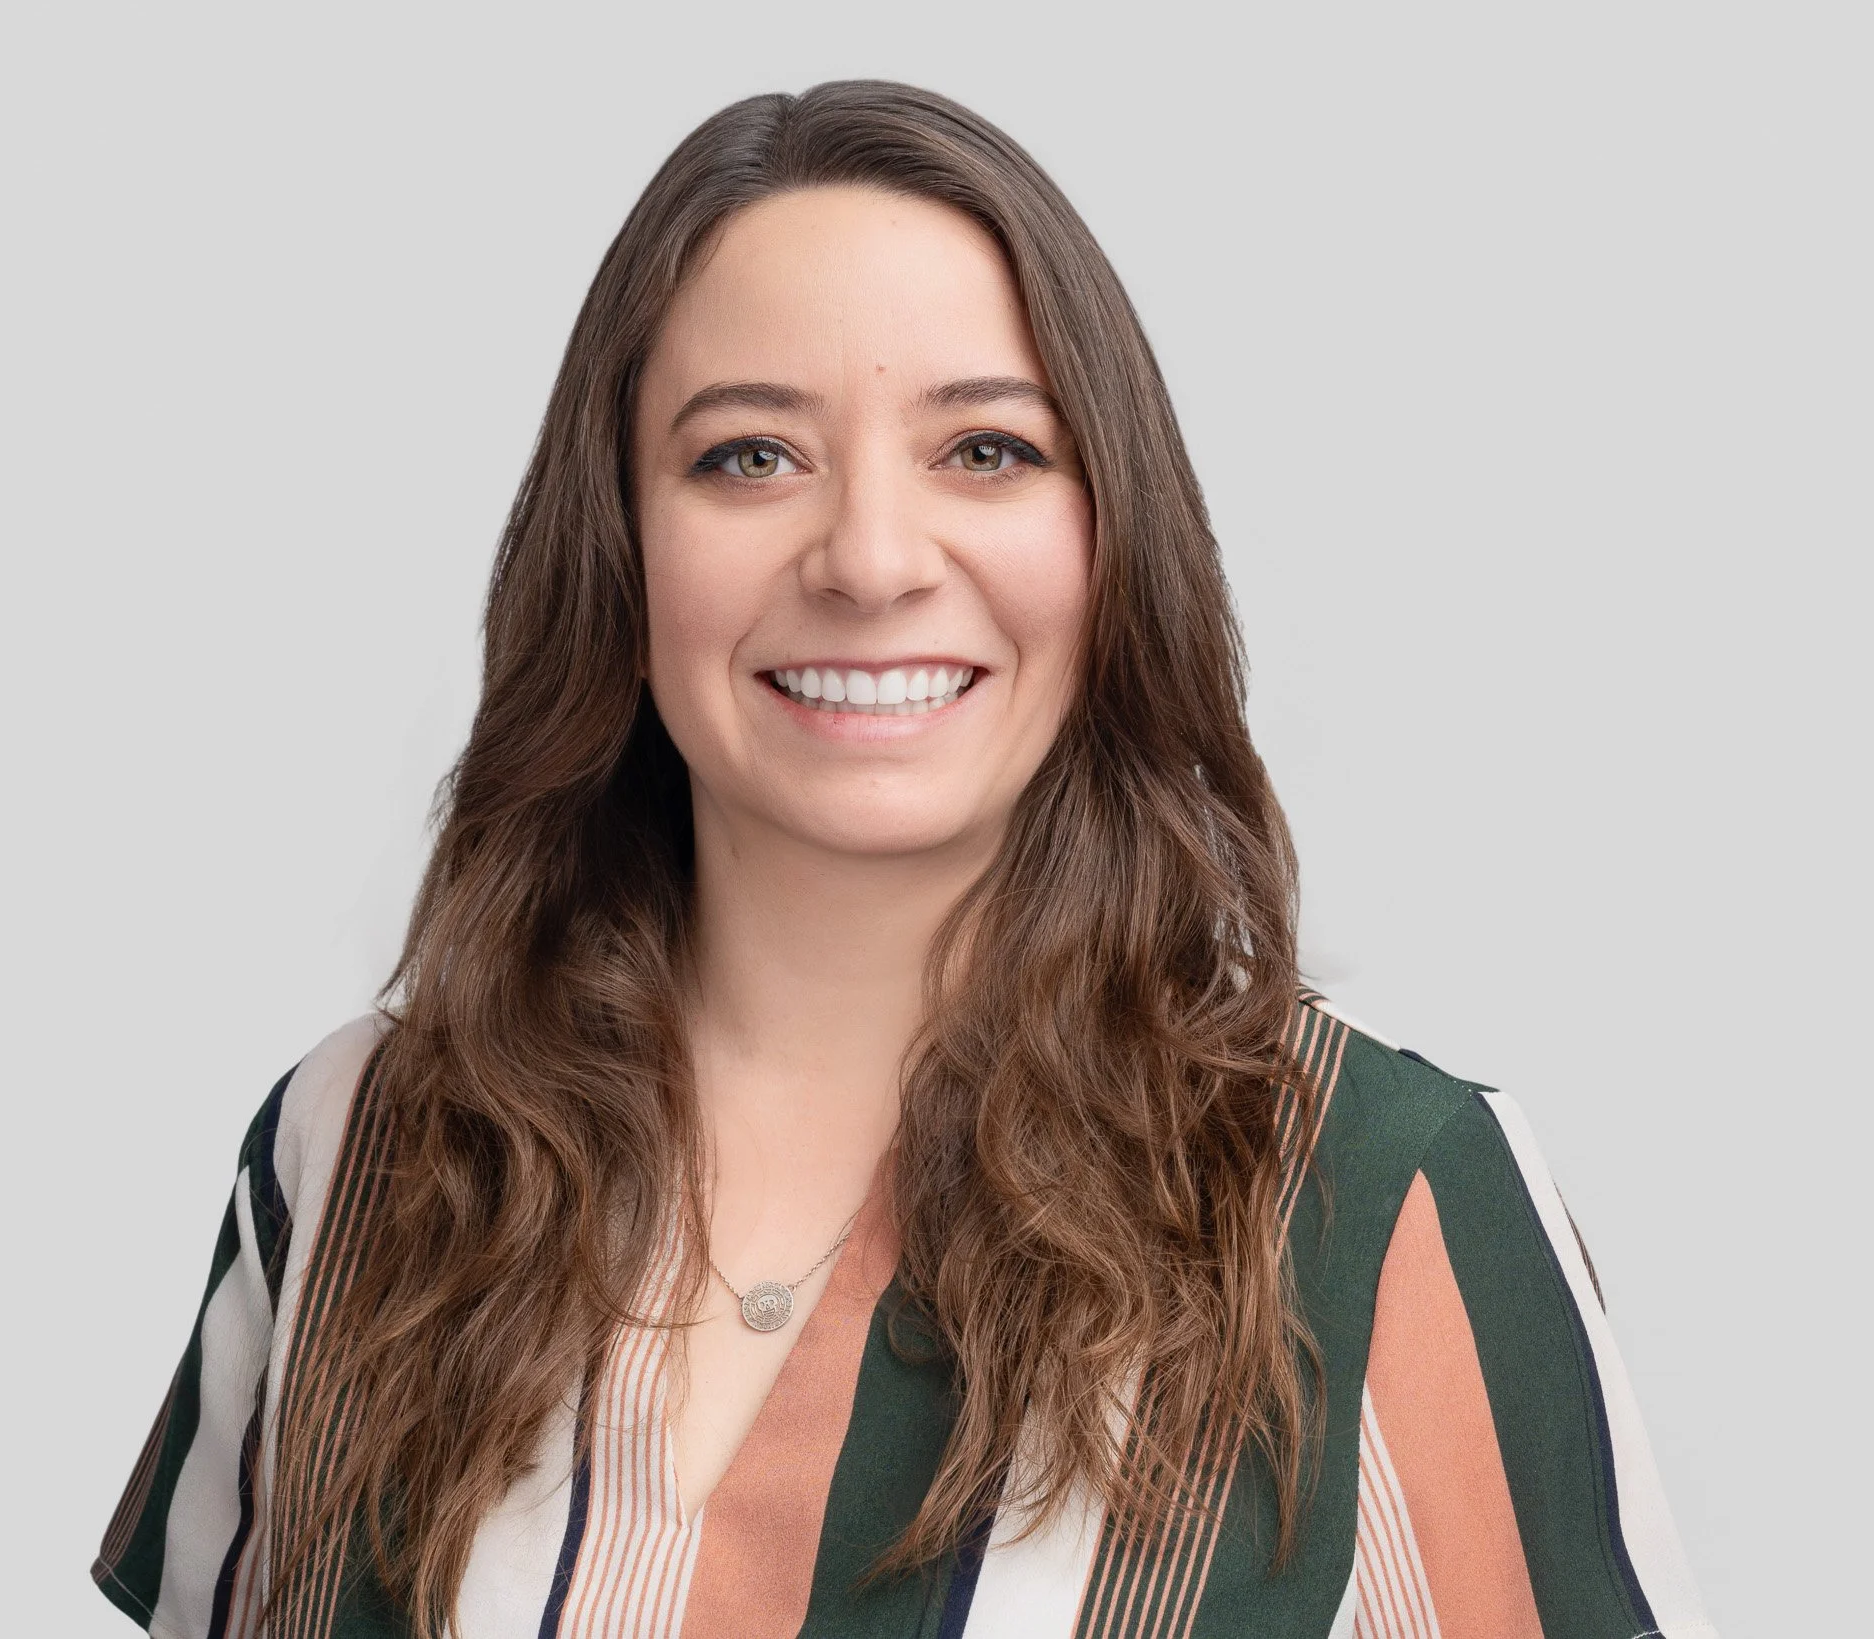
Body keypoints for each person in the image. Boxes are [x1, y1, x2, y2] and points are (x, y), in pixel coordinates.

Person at [91, 82, 1715, 1639]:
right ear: (619, 546)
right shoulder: (355, 1151)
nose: (869, 558)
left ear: (1111, 536)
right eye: (748, 455)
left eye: (987, 450)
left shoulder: (1387, 1194)